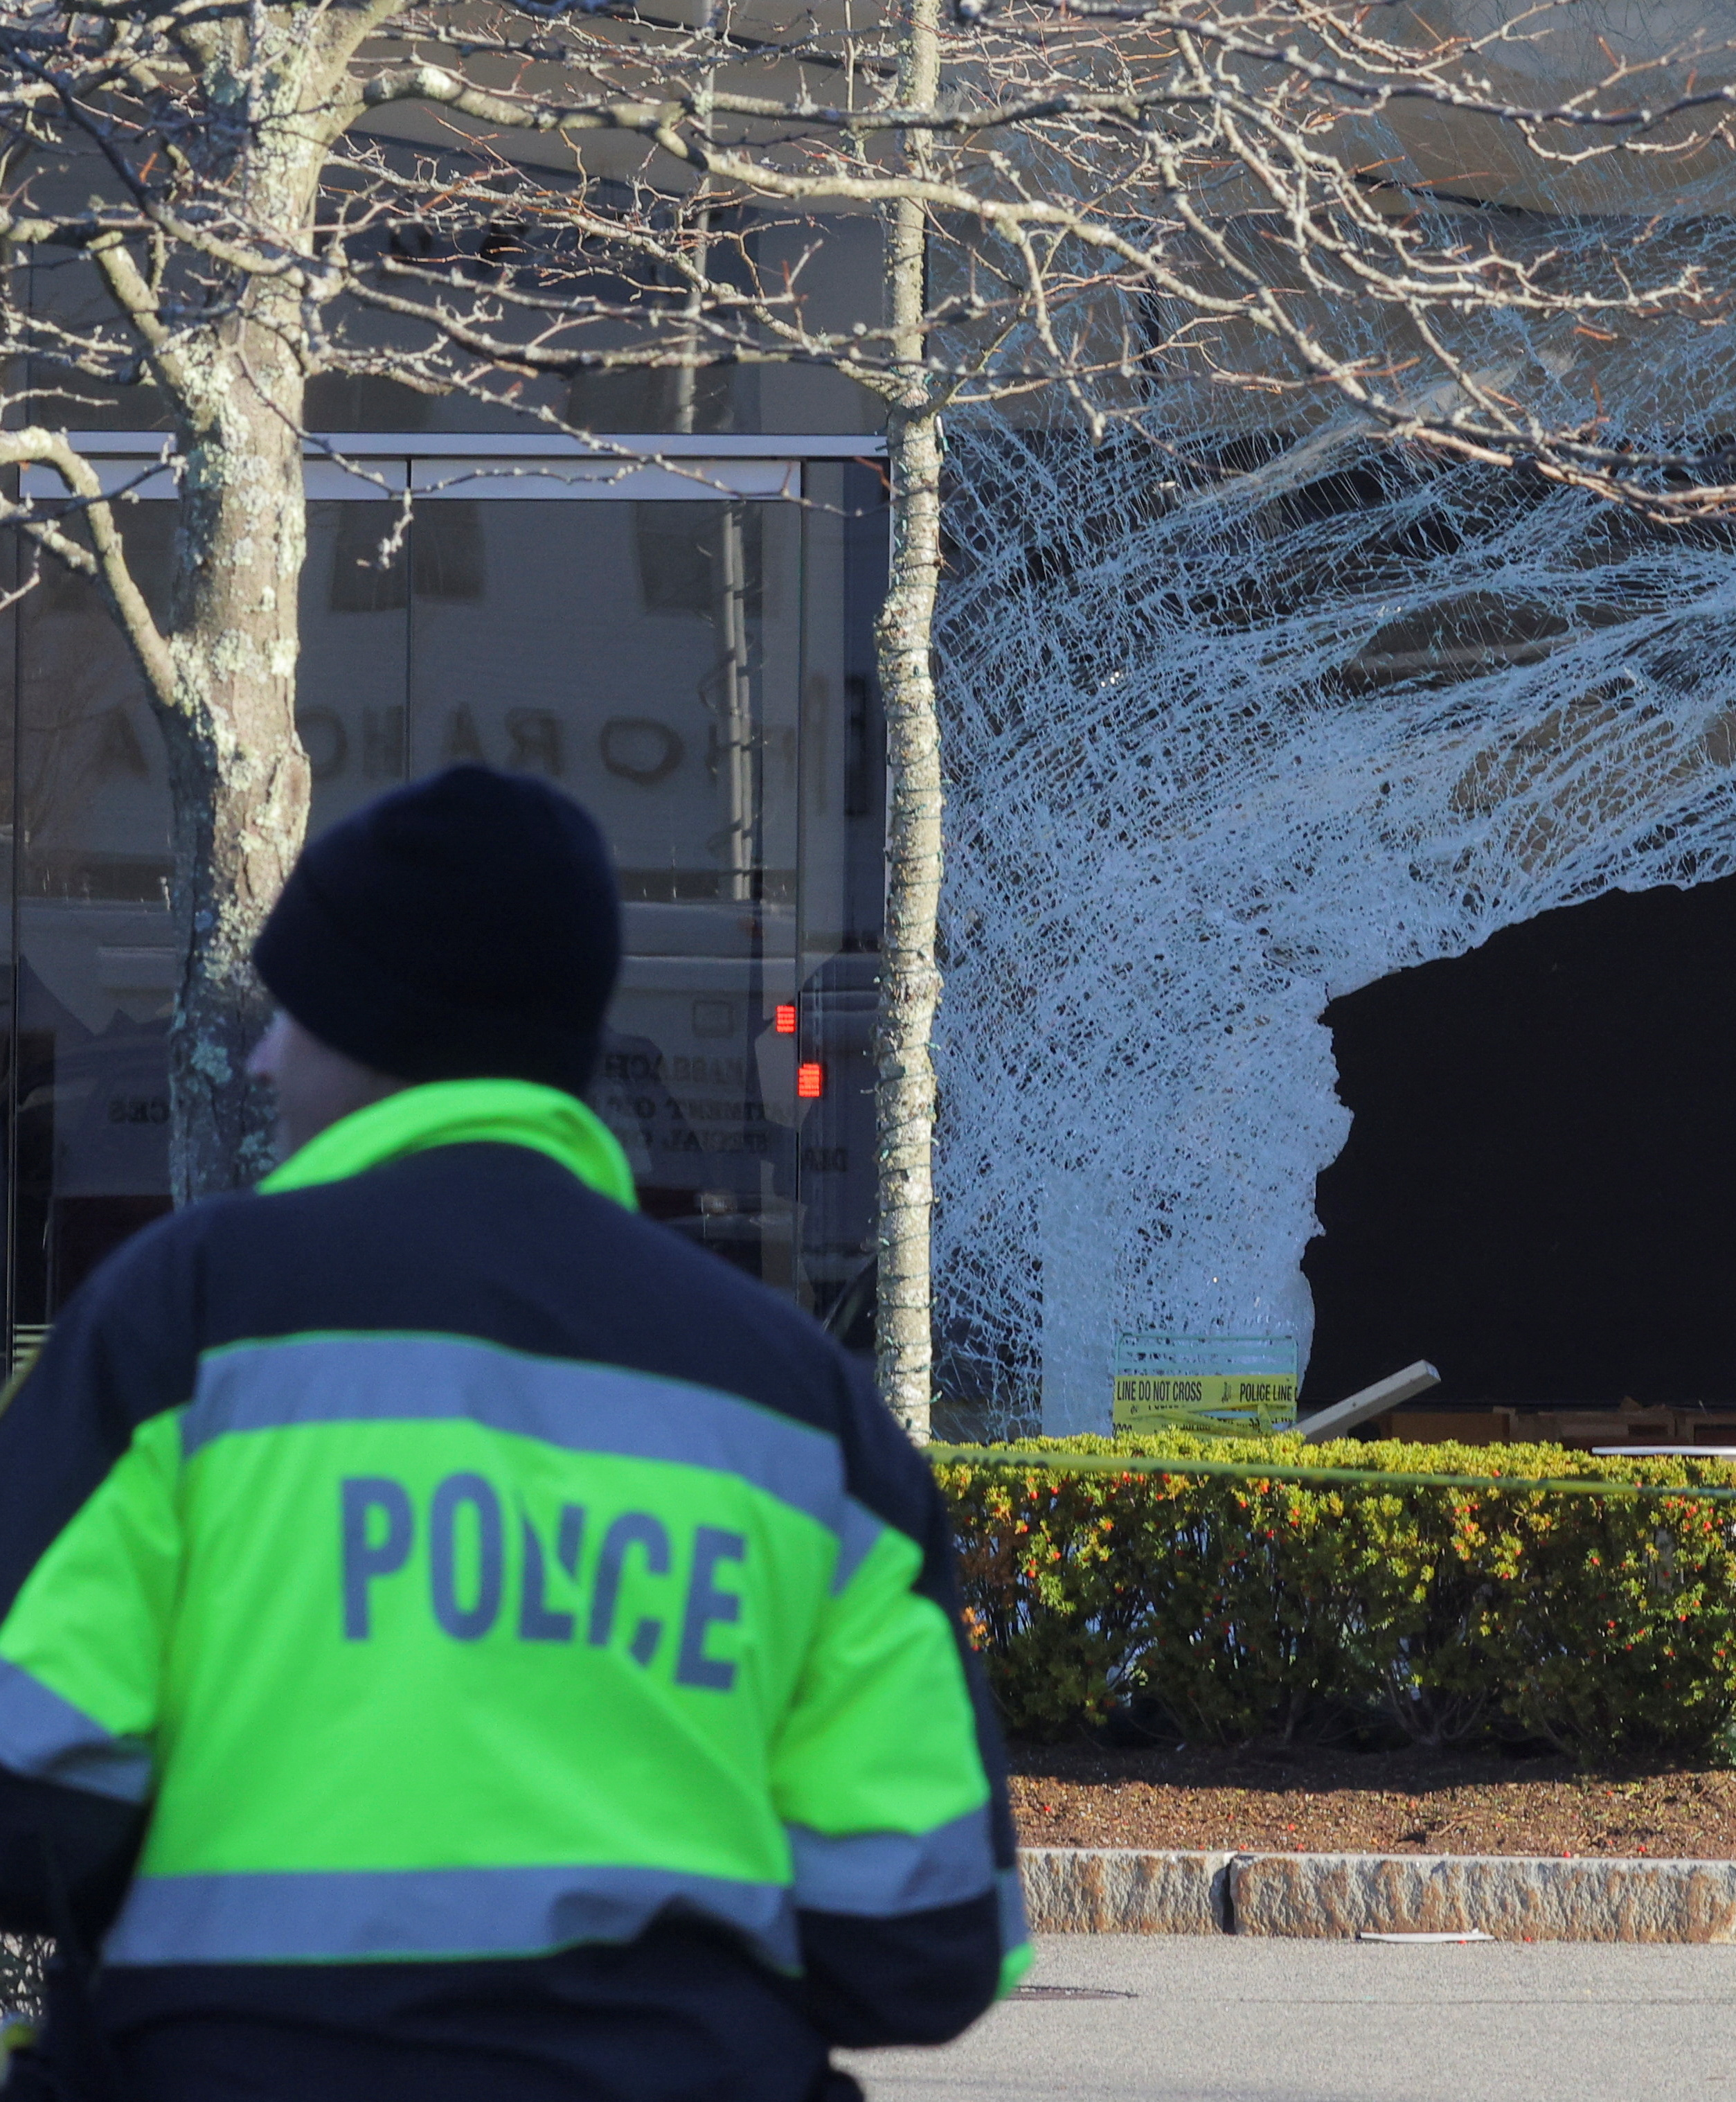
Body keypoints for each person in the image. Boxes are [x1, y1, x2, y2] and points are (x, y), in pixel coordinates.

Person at [0, 767, 1023, 2099]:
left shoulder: (180, 1326)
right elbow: (930, 1936)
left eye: (291, 1015)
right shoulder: (797, 1403)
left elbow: (29, 1798)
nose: (260, 1057)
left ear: (371, 1029)